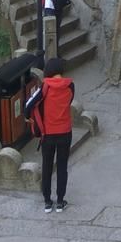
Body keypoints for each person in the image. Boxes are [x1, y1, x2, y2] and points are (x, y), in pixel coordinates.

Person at [25, 57, 74, 213]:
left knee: (47, 167)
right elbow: (70, 100)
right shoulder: (70, 86)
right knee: (62, 167)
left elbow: (29, 105)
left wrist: (29, 117)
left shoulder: (45, 87)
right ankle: (60, 201)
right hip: (65, 132)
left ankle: (47, 201)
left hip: (48, 134)